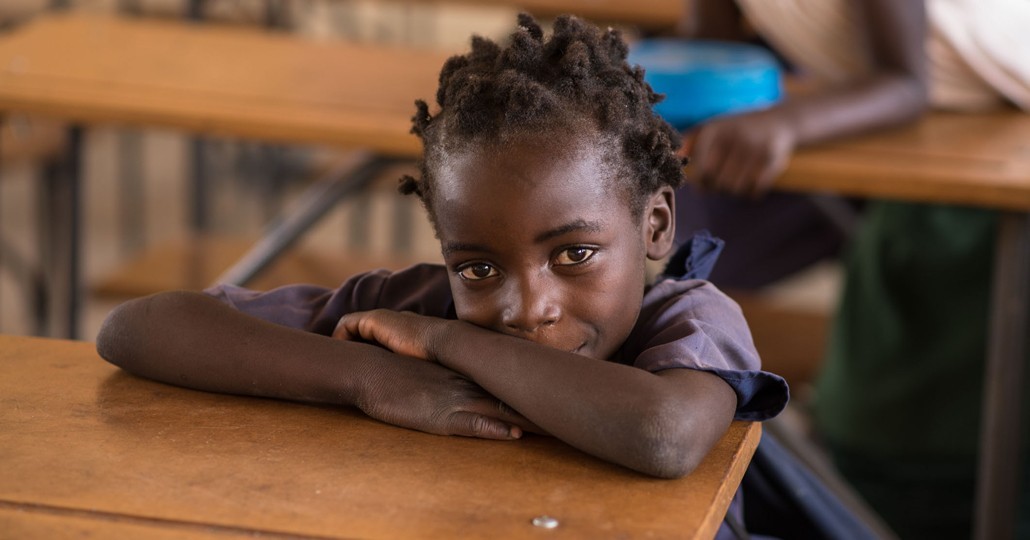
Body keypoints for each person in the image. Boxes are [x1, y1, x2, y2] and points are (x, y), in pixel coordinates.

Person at [95, 13, 788, 534]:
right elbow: (136, 328)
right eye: (479, 266)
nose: (528, 308)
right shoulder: (412, 307)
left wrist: (448, 345)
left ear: (657, 225)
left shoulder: (693, 320)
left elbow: (663, 436)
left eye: (574, 254)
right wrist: (373, 379)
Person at [677, 0, 1030, 537]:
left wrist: (785, 122)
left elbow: (905, 81)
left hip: (983, 148)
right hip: (928, 158)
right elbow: (713, 47)